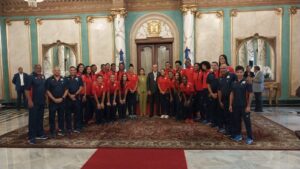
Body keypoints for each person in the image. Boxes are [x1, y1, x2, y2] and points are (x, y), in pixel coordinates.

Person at [229, 65, 253, 144]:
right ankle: (238, 135)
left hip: (244, 106)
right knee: (237, 121)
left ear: (243, 72)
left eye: (241, 72)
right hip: (236, 106)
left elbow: (251, 94)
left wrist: (249, 106)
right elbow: (232, 94)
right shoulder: (234, 82)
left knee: (247, 122)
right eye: (238, 72)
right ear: (235, 73)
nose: (239, 74)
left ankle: (250, 137)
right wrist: (230, 105)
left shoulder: (247, 82)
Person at [25, 64, 48, 144]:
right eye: (37, 68)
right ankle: (31, 137)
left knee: (40, 118)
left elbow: (44, 89)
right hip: (33, 102)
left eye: (40, 68)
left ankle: (40, 134)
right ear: (34, 68)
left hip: (41, 101)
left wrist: (46, 100)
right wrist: (29, 100)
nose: (39, 69)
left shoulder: (42, 77)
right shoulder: (30, 77)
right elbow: (27, 90)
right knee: (33, 120)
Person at [46, 67, 68, 138]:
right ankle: (52, 131)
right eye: (55, 70)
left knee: (61, 116)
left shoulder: (64, 79)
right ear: (53, 71)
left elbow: (66, 90)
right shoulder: (49, 80)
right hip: (53, 101)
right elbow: (47, 91)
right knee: (52, 116)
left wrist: (63, 98)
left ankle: (61, 130)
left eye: (58, 70)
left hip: (62, 101)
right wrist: (53, 99)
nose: (57, 71)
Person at [218, 65, 237, 136]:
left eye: (224, 68)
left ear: (227, 69)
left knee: (232, 115)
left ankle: (233, 131)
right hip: (224, 100)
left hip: (232, 99)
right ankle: (227, 130)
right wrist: (220, 101)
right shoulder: (220, 78)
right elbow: (219, 90)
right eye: (221, 69)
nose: (222, 70)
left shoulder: (232, 75)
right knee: (225, 115)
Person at [65, 66, 83, 133]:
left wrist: (75, 95)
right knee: (68, 114)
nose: (72, 71)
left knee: (77, 113)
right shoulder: (66, 79)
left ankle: (77, 127)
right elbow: (65, 88)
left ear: (76, 71)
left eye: (74, 70)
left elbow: (81, 87)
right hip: (68, 98)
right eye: (71, 70)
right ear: (69, 71)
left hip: (76, 98)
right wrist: (70, 95)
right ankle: (69, 128)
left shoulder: (79, 78)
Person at [207, 62, 219, 128]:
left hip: (220, 94)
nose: (213, 66)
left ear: (217, 66)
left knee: (219, 109)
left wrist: (217, 93)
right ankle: (213, 122)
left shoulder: (220, 73)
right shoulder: (210, 74)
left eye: (215, 65)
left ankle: (219, 123)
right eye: (212, 65)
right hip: (212, 94)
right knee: (212, 109)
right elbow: (208, 85)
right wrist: (211, 93)